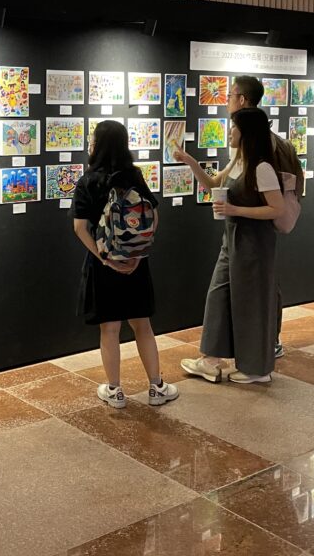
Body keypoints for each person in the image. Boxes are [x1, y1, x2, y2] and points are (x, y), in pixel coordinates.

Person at [72, 120, 179, 408]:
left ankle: (115, 391)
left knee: (109, 329)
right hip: (136, 265)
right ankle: (156, 386)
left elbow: (80, 228)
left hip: (103, 265)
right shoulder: (133, 176)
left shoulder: (88, 181)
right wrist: (136, 254)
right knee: (142, 325)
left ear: (97, 145)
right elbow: (153, 216)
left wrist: (105, 258)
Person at [174, 107, 285, 383]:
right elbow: (214, 184)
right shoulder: (237, 161)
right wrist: (190, 161)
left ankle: (257, 369)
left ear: (246, 132)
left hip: (254, 246)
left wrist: (236, 210)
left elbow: (277, 209)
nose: (230, 131)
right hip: (232, 241)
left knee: (252, 303)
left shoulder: (262, 168)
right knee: (219, 295)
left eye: (234, 127)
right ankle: (210, 360)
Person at [219, 75, 302, 357]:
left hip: (257, 229)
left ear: (242, 100)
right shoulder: (258, 138)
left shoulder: (260, 142)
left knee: (265, 285)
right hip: (247, 228)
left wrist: (237, 209)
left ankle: (268, 342)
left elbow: (273, 199)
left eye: (230, 96)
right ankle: (258, 343)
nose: (227, 101)